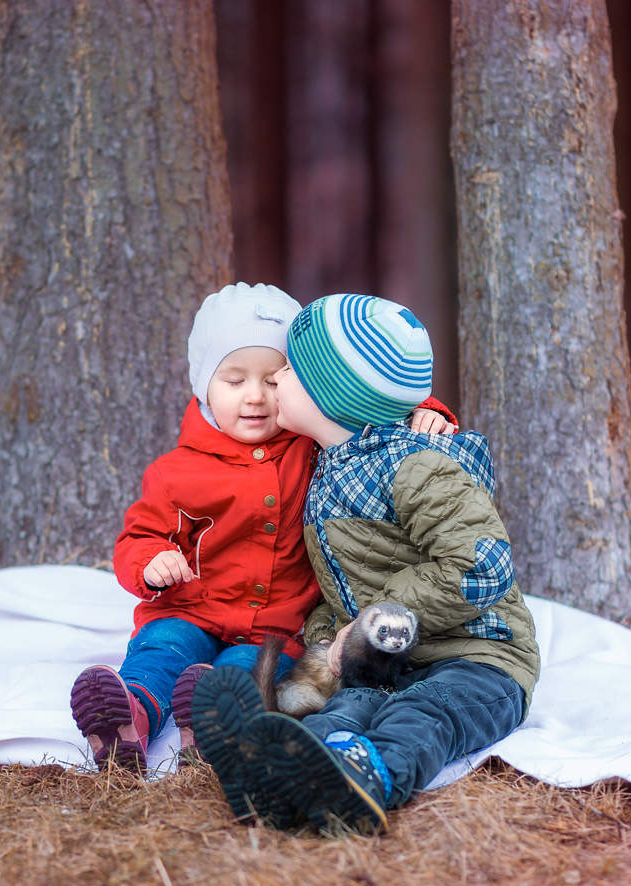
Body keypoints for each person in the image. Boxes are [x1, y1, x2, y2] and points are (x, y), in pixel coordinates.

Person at [190, 292, 540, 833]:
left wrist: (377, 617)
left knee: (426, 712)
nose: (272, 383)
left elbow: (482, 565)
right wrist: (332, 642)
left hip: (477, 658)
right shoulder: (328, 468)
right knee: (342, 713)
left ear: (331, 394)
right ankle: (275, 774)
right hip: (383, 661)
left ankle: (365, 783)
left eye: (286, 371)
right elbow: (345, 586)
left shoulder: (417, 467)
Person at [70, 283, 458, 770]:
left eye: (273, 381)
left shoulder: (311, 442)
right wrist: (152, 563)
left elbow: (373, 406)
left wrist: (427, 411)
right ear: (203, 386)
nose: (255, 397)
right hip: (189, 609)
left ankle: (210, 728)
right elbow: (138, 538)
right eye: (234, 381)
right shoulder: (176, 471)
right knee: (161, 651)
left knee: (242, 674)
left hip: (275, 625)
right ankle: (129, 716)